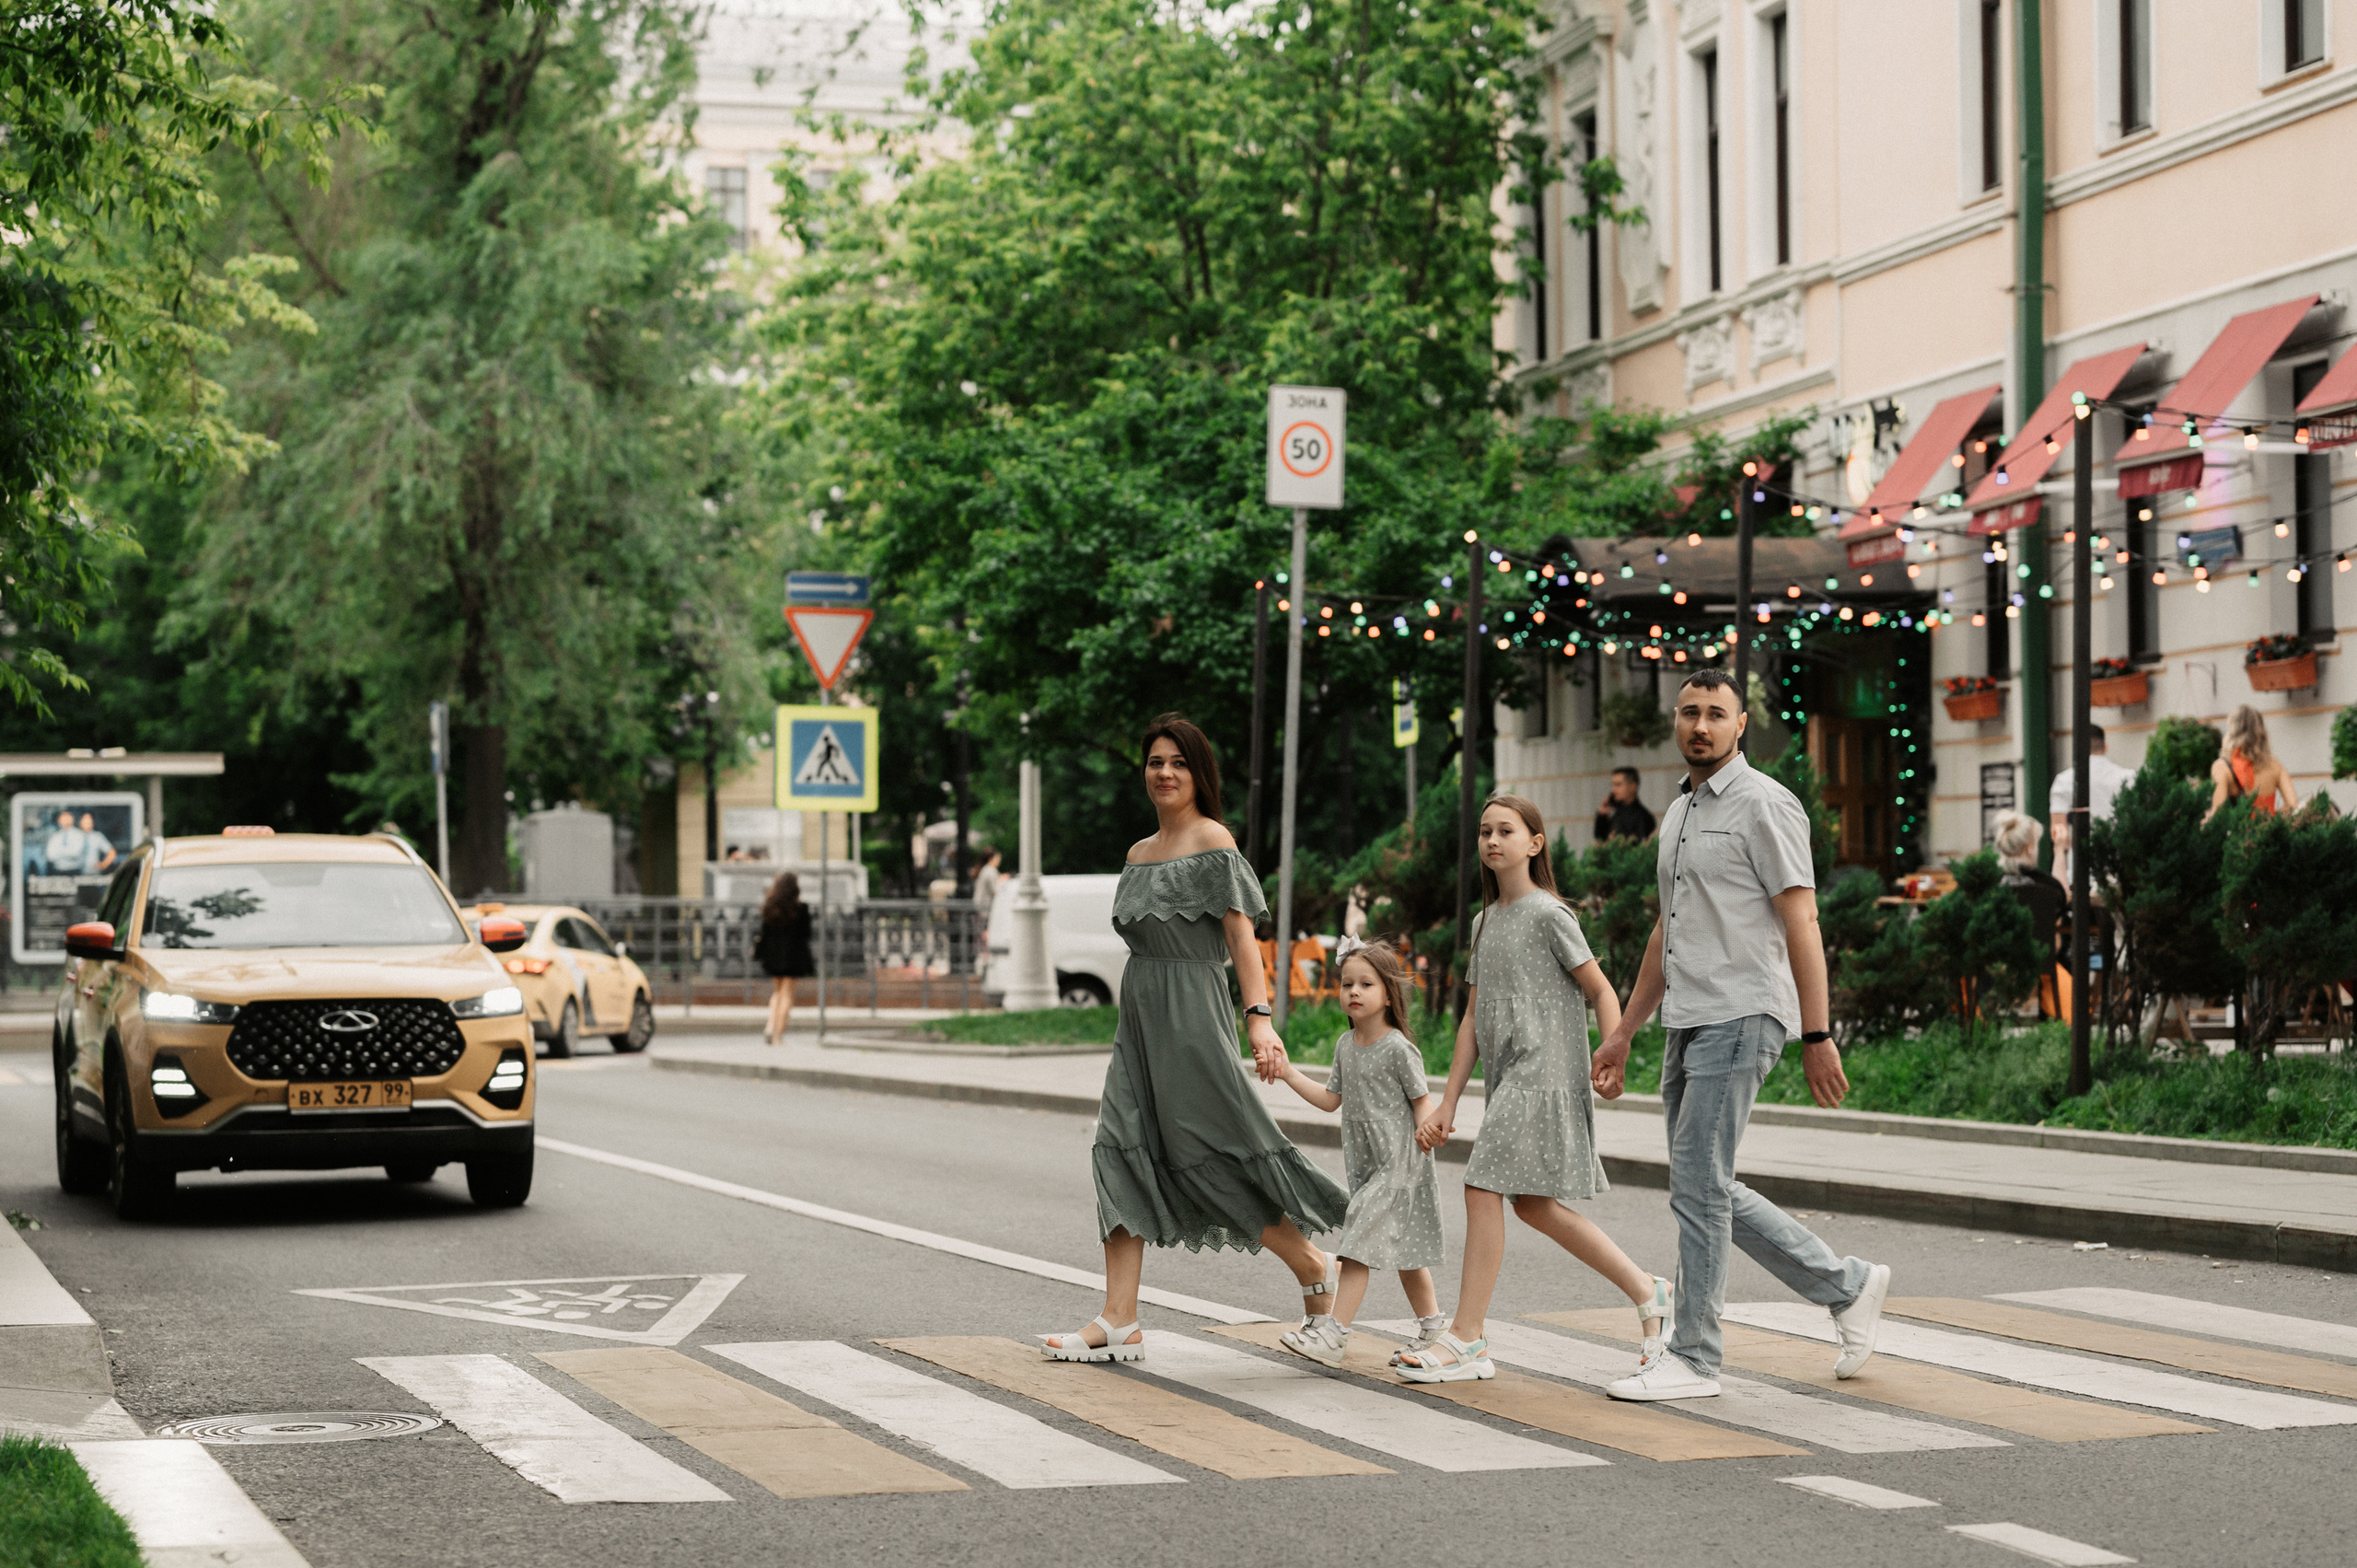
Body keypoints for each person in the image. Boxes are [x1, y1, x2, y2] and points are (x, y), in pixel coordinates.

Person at [1593, 669, 1888, 1401]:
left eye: (1715, 714)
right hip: (1686, 1018)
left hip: (1742, 1010)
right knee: (1704, 1185)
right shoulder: (1680, 812)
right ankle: (1846, 1286)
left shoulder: (1765, 804)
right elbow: (1668, 929)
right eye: (1690, 712)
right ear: (1675, 721)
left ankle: (1695, 1354)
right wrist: (1625, 1029)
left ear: (1741, 723)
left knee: (1698, 1186)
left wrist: (1818, 1031)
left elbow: (1802, 920)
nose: (1701, 725)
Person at [1039, 714, 1349, 1362]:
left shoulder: (1213, 840)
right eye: (1154, 761)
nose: (1164, 772)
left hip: (1195, 1017)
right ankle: (1119, 1319)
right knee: (1120, 1146)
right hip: (1140, 1020)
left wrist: (1259, 1017)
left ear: (1197, 772)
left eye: (1177, 761)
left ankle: (1311, 1261)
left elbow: (1241, 937)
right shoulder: (1137, 853)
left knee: (1214, 1150)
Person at [1391, 793, 1672, 1385]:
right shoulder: (1484, 921)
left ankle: (1467, 1337)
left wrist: (1613, 1049)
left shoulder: (1550, 915)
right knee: (1535, 1206)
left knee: (1480, 1186)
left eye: (1506, 831)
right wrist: (1447, 1101)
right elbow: (1474, 1017)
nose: (1492, 841)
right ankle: (1648, 1291)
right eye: (1485, 832)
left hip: (1545, 1076)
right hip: (1509, 1078)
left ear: (1534, 843)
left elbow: (1599, 988)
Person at [1267, 938, 1446, 1368]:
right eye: (1347, 983)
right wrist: (1289, 1072)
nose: (1354, 992)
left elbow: (1421, 1099)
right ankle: (1435, 1328)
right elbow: (1331, 1100)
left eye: (1366, 983)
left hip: (1399, 1162)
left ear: (1388, 994)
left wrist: (1429, 1124)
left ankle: (1334, 1334)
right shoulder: (1346, 1046)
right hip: (1368, 1166)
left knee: (1357, 1247)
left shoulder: (1399, 1047)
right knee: (1407, 1254)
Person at [1993, 810, 2067, 1005]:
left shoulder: (1991, 882)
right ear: (2029, 849)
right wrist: (2059, 850)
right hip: (2040, 959)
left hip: (1993, 961)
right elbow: (2064, 896)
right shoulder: (2045, 885)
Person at [2046, 725, 2131, 888]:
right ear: (2105, 747)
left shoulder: (2064, 781)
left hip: (2080, 865)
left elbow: (2058, 833)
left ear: (2077, 749)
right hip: (2121, 864)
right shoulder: (2128, 777)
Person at [2205, 705, 2300, 824]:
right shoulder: (2275, 766)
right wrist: (2268, 820)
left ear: (2233, 731)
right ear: (2262, 732)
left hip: (2239, 839)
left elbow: (2218, 816)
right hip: (2269, 838)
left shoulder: (2222, 768)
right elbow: (2292, 805)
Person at [756, 871, 814, 1045]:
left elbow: (764, 933)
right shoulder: (801, 908)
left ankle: (769, 1025)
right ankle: (778, 1035)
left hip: (772, 954)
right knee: (787, 994)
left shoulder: (770, 906)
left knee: (777, 992)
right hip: (794, 955)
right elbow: (806, 933)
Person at [1594, 767, 1657, 842]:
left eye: (1618, 785)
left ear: (1633, 786)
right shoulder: (1616, 813)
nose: (1613, 790)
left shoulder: (1643, 817)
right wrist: (1602, 816)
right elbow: (1600, 839)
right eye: (1613, 785)